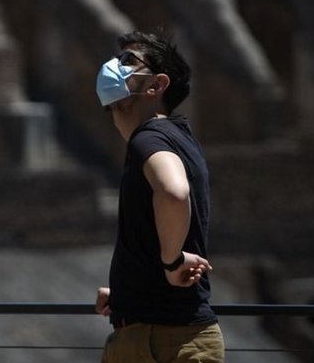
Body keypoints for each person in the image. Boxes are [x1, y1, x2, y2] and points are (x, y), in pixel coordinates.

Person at [93, 32, 225, 363]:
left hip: (162, 340)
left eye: (128, 62)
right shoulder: (175, 136)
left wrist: (172, 261)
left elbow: (174, 192)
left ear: (156, 85)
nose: (113, 66)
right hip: (165, 333)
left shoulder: (148, 138)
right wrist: (127, 292)